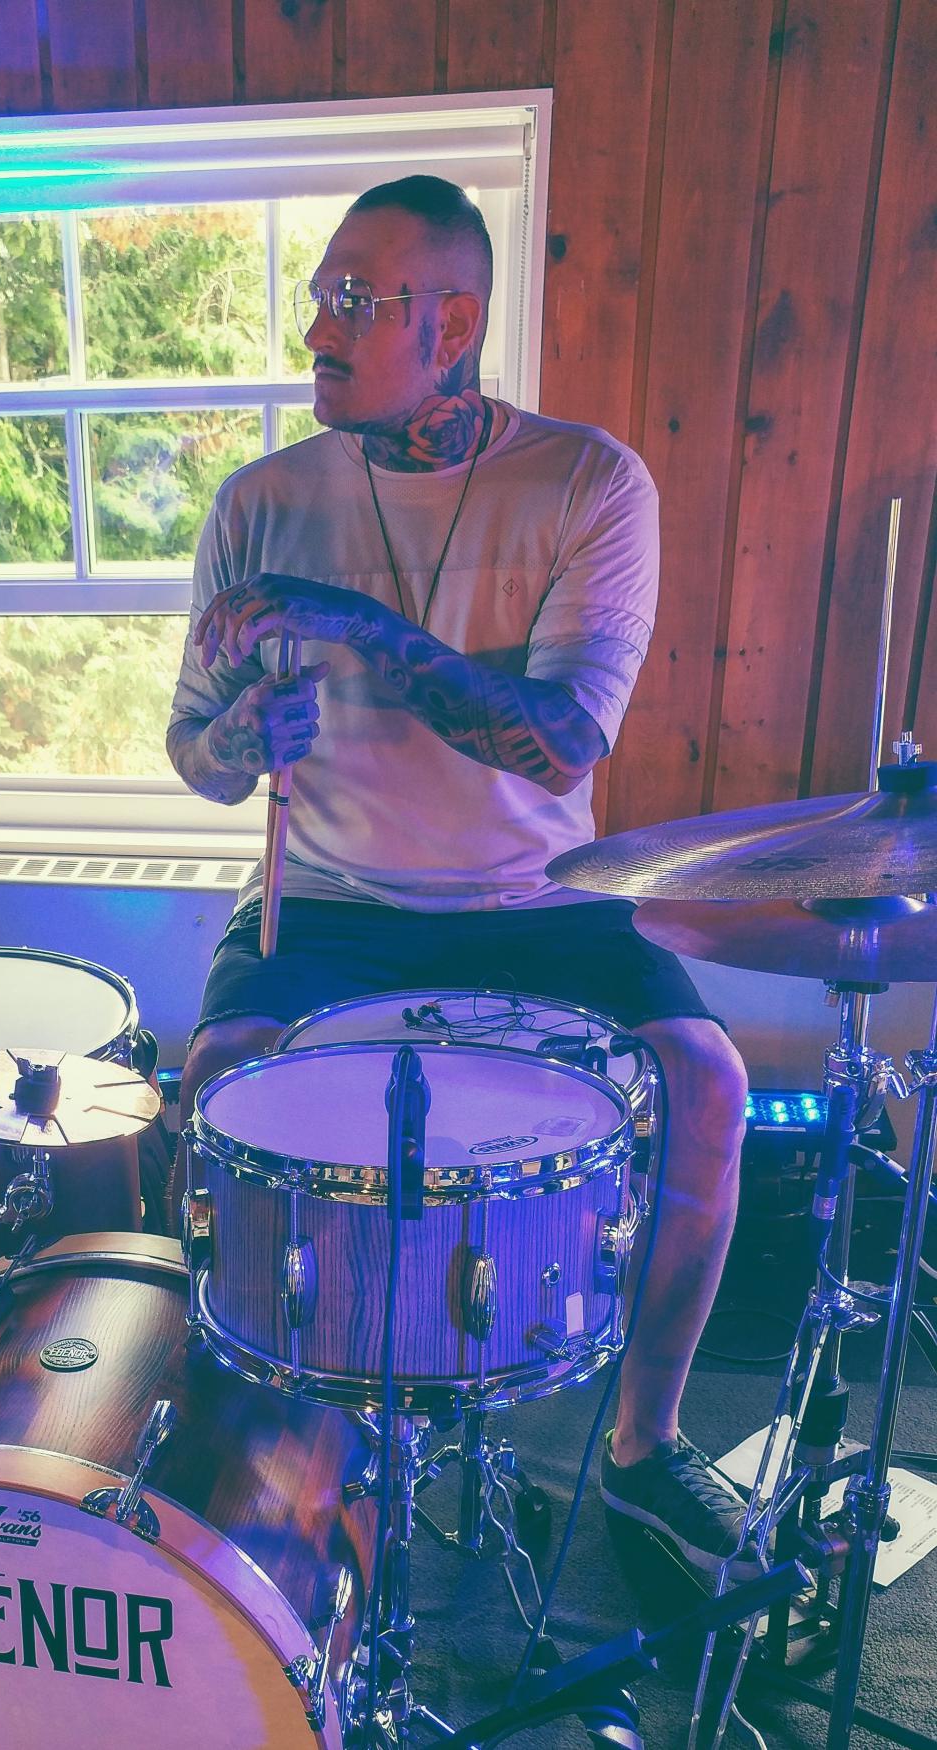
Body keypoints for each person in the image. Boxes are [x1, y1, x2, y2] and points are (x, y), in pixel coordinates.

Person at [166, 175, 753, 1583]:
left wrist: (355, 625)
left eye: (355, 301)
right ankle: (278, 1444)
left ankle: (645, 1443)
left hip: (540, 896)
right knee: (221, 1073)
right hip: (331, 902)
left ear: (454, 325)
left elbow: (561, 744)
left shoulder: (589, 484)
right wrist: (240, 739)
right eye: (320, 293)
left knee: (709, 1082)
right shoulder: (257, 504)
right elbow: (193, 752)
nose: (317, 328)